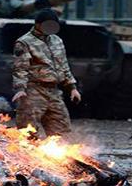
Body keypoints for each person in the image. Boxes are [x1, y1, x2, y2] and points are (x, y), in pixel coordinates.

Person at [12, 8, 82, 138]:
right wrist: (20, 88)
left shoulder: (57, 41)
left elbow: (64, 65)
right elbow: (20, 68)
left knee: (61, 129)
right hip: (33, 91)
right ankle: (29, 156)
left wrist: (72, 87)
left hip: (54, 91)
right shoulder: (24, 42)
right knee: (29, 130)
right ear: (38, 24)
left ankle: (58, 157)